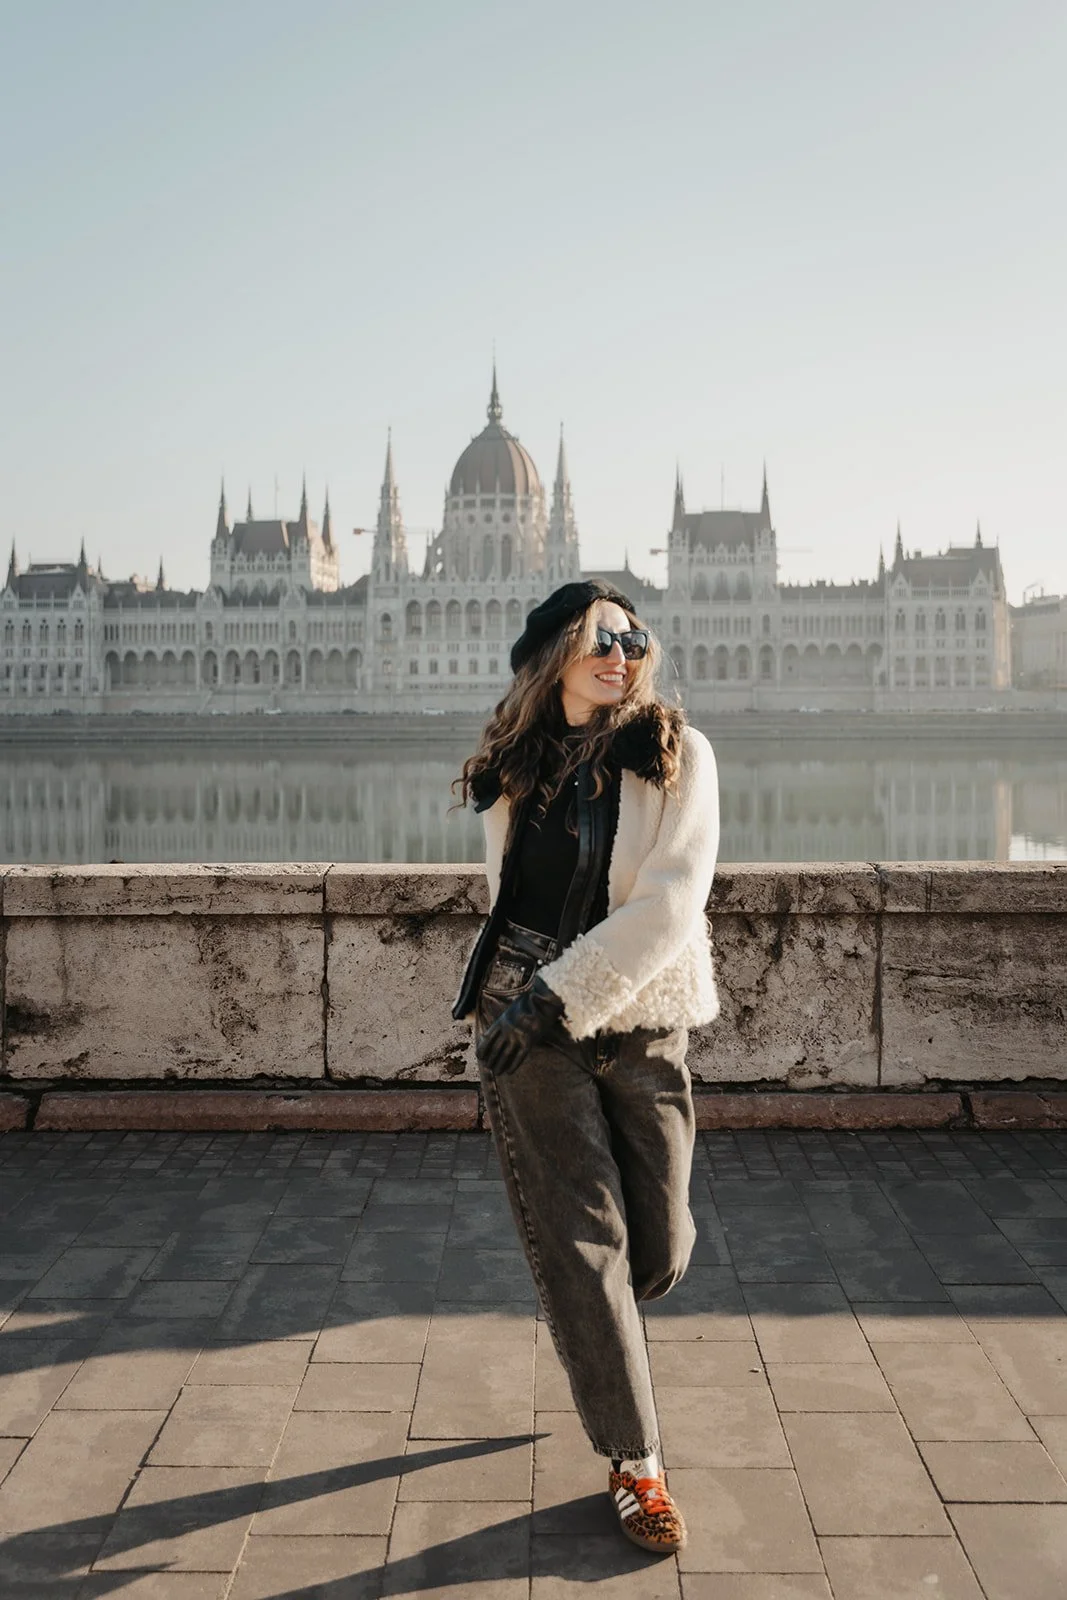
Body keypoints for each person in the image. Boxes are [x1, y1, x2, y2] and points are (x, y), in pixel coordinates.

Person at [453, 579, 720, 1556]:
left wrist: (562, 993)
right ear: (555, 653)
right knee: (583, 1243)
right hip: (525, 1018)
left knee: (655, 1247)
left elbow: (668, 903)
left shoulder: (673, 754)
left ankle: (594, 1325)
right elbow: (506, 895)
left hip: (633, 1014)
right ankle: (634, 1460)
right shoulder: (513, 764)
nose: (620, 653)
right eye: (599, 638)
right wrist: (514, 998)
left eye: (631, 637)